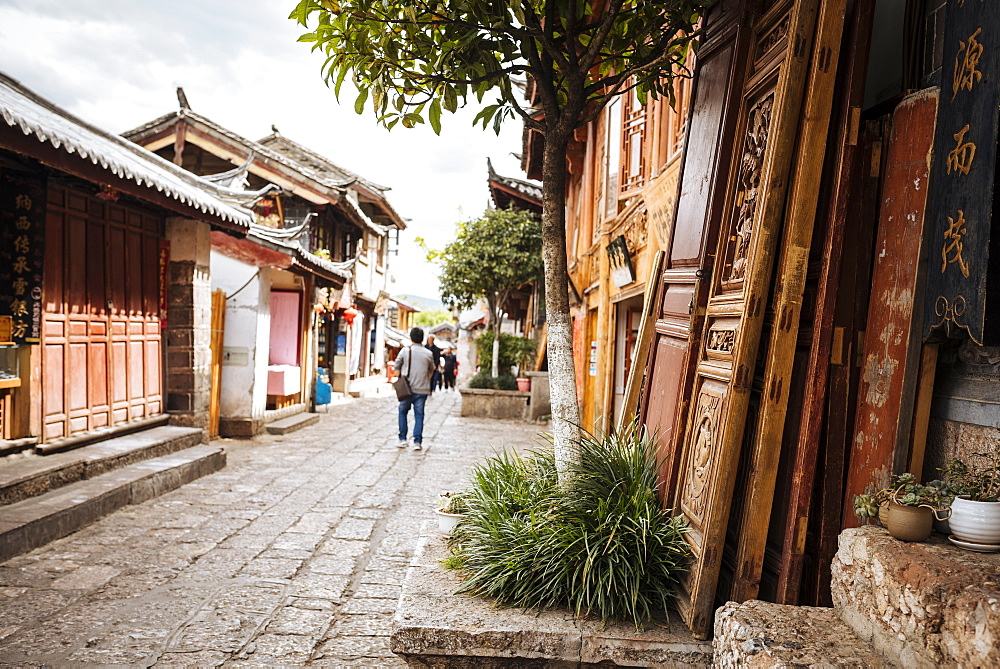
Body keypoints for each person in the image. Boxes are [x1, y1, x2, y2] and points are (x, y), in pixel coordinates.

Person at [394, 327, 436, 450]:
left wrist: (400, 375)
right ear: (422, 339)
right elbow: (431, 371)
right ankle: (417, 442)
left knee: (402, 412)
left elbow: (397, 365)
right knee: (419, 415)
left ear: (411, 338)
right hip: (422, 389)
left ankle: (402, 439)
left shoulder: (405, 351)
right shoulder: (428, 353)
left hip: (407, 389)